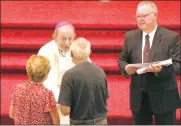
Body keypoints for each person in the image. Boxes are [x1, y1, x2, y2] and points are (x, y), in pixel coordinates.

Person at [118, 1, 180, 125]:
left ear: (155, 15)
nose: (140, 19)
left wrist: (160, 70)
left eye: (144, 16)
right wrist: (126, 68)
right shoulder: (130, 36)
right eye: (138, 16)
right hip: (139, 98)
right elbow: (122, 59)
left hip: (163, 97)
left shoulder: (171, 37)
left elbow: (178, 64)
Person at [37, 21, 91, 124]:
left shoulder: (78, 49)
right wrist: (64, 99)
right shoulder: (45, 52)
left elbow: (88, 73)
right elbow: (44, 81)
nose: (67, 43)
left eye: (70, 39)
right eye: (63, 39)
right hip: (54, 104)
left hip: (76, 104)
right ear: (54, 37)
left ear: (74, 36)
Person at [58, 37, 109, 125]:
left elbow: (65, 110)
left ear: (71, 53)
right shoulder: (100, 71)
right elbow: (105, 97)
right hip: (101, 122)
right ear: (89, 52)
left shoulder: (69, 75)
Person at [9, 55, 60, 125]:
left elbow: (12, 114)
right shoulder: (47, 94)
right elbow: (56, 122)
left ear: (28, 71)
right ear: (46, 74)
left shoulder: (17, 88)